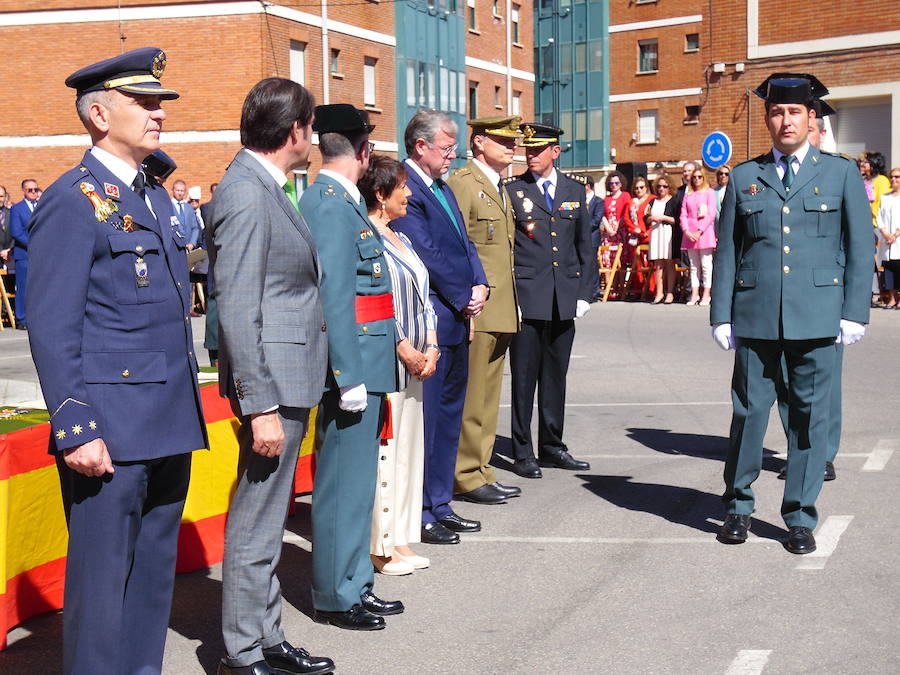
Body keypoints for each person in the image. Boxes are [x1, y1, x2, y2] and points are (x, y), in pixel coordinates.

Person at [26, 47, 208, 674]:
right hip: (109, 427)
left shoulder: (153, 196)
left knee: (153, 579)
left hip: (164, 415)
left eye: (160, 102)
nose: (159, 113)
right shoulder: (73, 200)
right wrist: (76, 425)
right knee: (102, 590)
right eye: (145, 102)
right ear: (100, 114)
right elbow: (52, 325)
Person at [711, 73, 872, 555]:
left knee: (808, 420)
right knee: (749, 414)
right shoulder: (744, 176)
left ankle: (799, 514)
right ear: (767, 119)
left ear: (811, 118)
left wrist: (854, 313)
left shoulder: (841, 173)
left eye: (795, 112)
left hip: (820, 317)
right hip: (756, 317)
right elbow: (727, 253)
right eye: (778, 112)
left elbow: (860, 249)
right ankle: (738, 507)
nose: (786, 120)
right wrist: (722, 314)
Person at [208, 78, 334, 675]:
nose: (311, 136)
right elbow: (235, 305)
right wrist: (258, 404)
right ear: (295, 131)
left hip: (288, 377)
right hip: (272, 387)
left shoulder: (266, 185)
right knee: (257, 520)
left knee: (269, 515)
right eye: (309, 125)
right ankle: (242, 649)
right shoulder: (246, 192)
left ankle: (267, 636)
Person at [301, 104, 403, 629]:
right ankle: (337, 594)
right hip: (353, 369)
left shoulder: (344, 203)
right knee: (342, 486)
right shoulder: (328, 204)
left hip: (368, 361)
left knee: (359, 483)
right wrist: (347, 375)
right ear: (363, 150)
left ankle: (356, 582)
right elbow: (334, 295)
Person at [391, 109, 489, 544]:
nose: (453, 155)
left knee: (449, 416)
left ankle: (441, 501)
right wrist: (463, 293)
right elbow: (426, 252)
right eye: (447, 148)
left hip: (457, 317)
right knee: (427, 421)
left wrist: (481, 282)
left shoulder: (443, 188)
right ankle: (422, 511)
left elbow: (464, 243)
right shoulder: (407, 189)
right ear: (421, 146)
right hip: (431, 320)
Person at [359, 155, 438, 576]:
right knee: (387, 453)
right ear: (380, 193)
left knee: (409, 450)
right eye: (402, 187)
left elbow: (423, 298)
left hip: (419, 360)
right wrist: (404, 345)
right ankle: (380, 545)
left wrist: (434, 345)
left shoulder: (399, 236)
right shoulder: (368, 236)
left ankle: (401, 537)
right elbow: (376, 301)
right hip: (391, 358)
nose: (409, 193)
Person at [504, 122, 597, 479]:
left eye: (538, 150)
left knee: (556, 376)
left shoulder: (575, 188)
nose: (531, 155)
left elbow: (584, 246)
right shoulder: (513, 190)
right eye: (528, 149)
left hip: (564, 298)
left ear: (555, 152)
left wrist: (586, 293)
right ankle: (523, 451)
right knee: (524, 378)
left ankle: (553, 445)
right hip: (528, 298)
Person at [447, 115, 522, 506]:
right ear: (478, 143)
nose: (512, 147)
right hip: (479, 308)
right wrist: (464, 303)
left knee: (490, 395)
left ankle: (481, 468)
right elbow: (457, 246)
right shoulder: (464, 183)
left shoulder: (497, 185)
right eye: (502, 140)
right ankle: (465, 474)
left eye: (513, 142)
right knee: (474, 395)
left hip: (501, 306)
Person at [680, 167, 718, 306]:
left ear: (703, 178)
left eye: (699, 177)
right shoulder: (688, 194)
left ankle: (706, 293)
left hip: (705, 233)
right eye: (694, 177)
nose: (696, 179)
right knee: (694, 266)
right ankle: (694, 293)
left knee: (706, 265)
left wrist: (700, 230)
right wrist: (686, 230)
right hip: (690, 233)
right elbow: (683, 214)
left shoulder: (709, 192)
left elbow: (711, 214)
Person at [9, 178, 40, 329]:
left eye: (35, 189)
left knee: (40, 287)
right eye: (30, 190)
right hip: (24, 255)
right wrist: (34, 245)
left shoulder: (41, 207)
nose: (33, 192)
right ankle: (21, 319)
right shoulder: (17, 209)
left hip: (41, 255)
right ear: (23, 191)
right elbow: (16, 232)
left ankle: (38, 318)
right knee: (23, 287)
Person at [646, 176, 677, 304]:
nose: (661, 189)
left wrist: (663, 218)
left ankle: (670, 293)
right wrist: (651, 218)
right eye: (659, 186)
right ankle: (659, 292)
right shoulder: (652, 202)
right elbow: (646, 218)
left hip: (667, 233)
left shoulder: (673, 201)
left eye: (664, 186)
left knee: (669, 263)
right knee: (658, 264)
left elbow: (676, 220)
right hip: (656, 232)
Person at [877, 168, 900, 309]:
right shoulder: (885, 197)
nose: (894, 179)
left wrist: (896, 235)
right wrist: (885, 233)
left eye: (897, 177)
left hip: (898, 239)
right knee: (889, 270)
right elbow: (879, 216)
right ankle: (892, 298)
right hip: (887, 240)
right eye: (892, 177)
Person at [585, 175, 605, 301]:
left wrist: (582, 228)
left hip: (592, 238)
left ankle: (593, 291)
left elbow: (596, 220)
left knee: (592, 264)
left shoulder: (598, 201)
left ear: (588, 186)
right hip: (580, 239)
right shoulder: (579, 200)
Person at [171, 178, 201, 250]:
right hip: (174, 246)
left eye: (182, 191)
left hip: (188, 246)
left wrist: (192, 242)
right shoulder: (168, 206)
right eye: (177, 190)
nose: (180, 193)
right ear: (173, 190)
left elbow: (195, 228)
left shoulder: (189, 207)